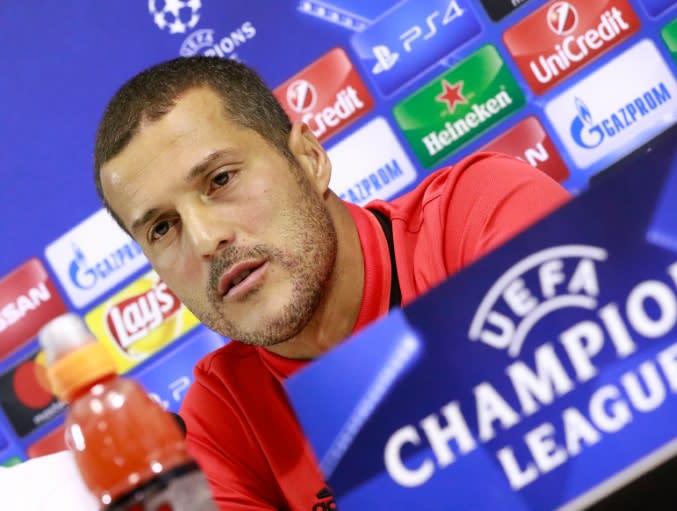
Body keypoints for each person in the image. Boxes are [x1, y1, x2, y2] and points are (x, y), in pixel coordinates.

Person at [93, 56, 570, 510]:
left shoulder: (478, 216)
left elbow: (600, 456)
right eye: (161, 228)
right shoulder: (222, 423)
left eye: (220, 180)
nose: (204, 240)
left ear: (309, 158)